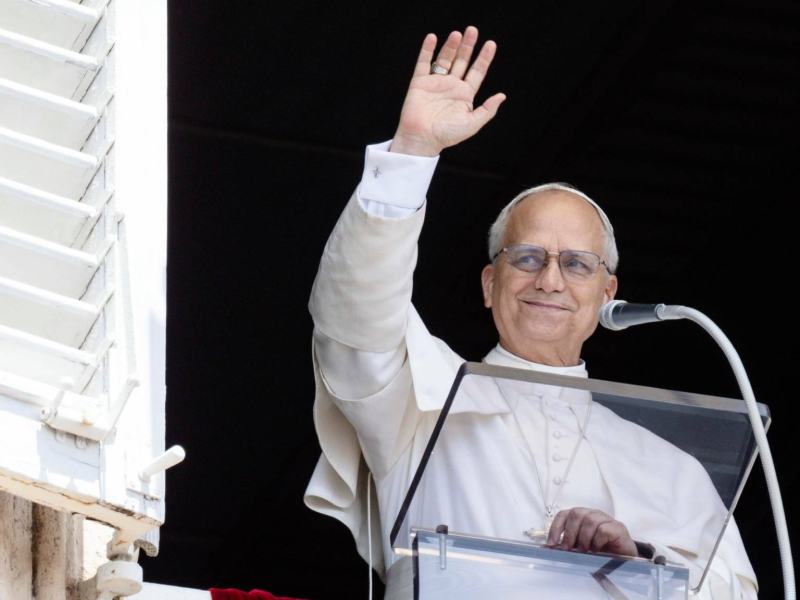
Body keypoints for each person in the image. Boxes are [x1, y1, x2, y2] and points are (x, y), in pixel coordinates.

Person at [304, 26, 757, 599]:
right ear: (490, 284)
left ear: (605, 293)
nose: (549, 280)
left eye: (576, 264)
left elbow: (735, 593)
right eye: (528, 258)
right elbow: (353, 316)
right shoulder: (419, 403)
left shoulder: (671, 467)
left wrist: (639, 560)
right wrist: (412, 153)